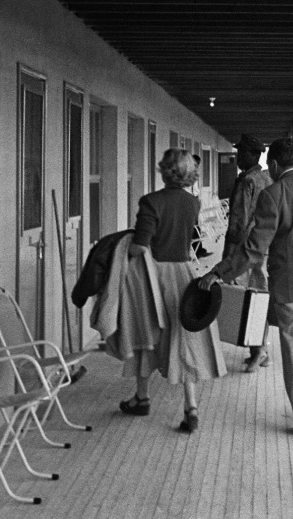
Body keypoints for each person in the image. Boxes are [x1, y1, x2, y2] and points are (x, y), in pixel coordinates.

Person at [201, 137, 293, 438]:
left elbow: (255, 249)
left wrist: (220, 271)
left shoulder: (273, 194)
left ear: (273, 164)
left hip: (290, 283)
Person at [119, 148, 226, 433]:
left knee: (145, 333)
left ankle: (141, 397)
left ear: (164, 170)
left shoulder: (151, 202)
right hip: (183, 272)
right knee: (182, 337)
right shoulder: (192, 203)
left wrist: (121, 249)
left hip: (152, 274)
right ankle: (191, 405)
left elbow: (140, 246)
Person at [225, 134, 275, 372]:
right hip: (262, 246)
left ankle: (259, 351)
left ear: (255, 155)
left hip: (245, 249)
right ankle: (259, 349)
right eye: (238, 152)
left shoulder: (248, 181)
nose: (238, 157)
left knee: (249, 298)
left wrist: (230, 255)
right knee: (258, 296)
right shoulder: (267, 178)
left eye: (242, 153)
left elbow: (239, 220)